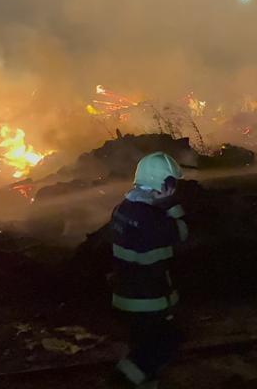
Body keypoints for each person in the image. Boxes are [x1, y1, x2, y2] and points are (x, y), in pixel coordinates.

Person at [110, 152, 189, 388]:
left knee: (142, 349)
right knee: (166, 344)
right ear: (164, 185)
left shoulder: (122, 208)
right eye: (173, 184)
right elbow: (183, 232)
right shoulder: (153, 219)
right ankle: (120, 382)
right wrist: (171, 205)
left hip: (125, 297)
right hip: (148, 301)